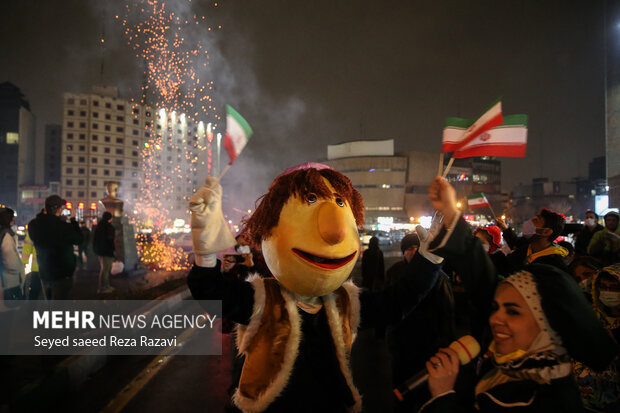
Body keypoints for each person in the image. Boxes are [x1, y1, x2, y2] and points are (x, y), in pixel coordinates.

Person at [187, 165, 443, 412]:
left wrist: (428, 260)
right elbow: (210, 291)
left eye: (341, 204)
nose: (335, 233)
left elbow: (396, 302)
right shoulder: (262, 298)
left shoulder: (346, 302)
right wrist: (205, 248)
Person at [417, 177, 617, 412]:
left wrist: (442, 399)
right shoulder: (514, 370)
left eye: (512, 311)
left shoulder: (542, 399)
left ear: (546, 324)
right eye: (495, 308)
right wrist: (450, 215)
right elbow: (487, 283)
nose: (495, 319)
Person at [385, 233, 455, 412]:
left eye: (417, 248)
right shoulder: (394, 273)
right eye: (409, 248)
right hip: (401, 347)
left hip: (429, 348)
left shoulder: (440, 278)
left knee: (426, 395)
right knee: (402, 394)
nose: (413, 251)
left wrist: (445, 345)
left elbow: (447, 313)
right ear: (403, 252)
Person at [573, 264, 620, 412]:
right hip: (584, 401)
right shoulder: (590, 315)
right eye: (603, 287)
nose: (607, 292)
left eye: (614, 288)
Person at [28, 195, 82, 299]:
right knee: (59, 306)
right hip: (61, 275)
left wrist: (42, 214)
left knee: (48, 303)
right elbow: (79, 240)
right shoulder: (63, 227)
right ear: (58, 209)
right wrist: (74, 220)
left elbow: (37, 227)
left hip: (44, 273)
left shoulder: (34, 225)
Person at [495, 209, 569, 273]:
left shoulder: (554, 266)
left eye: (536, 220)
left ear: (546, 232)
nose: (528, 223)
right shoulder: (525, 249)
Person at [0, 208, 24, 307]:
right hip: (8, 283)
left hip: (5, 281)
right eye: (12, 218)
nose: (13, 221)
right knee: (8, 316)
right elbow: (11, 262)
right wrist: (20, 270)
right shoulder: (6, 236)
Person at [93, 212, 115, 294]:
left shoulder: (99, 226)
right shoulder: (108, 227)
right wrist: (113, 249)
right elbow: (110, 240)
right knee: (105, 269)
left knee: (105, 269)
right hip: (107, 251)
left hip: (101, 251)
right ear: (109, 218)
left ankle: (106, 285)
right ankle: (103, 288)